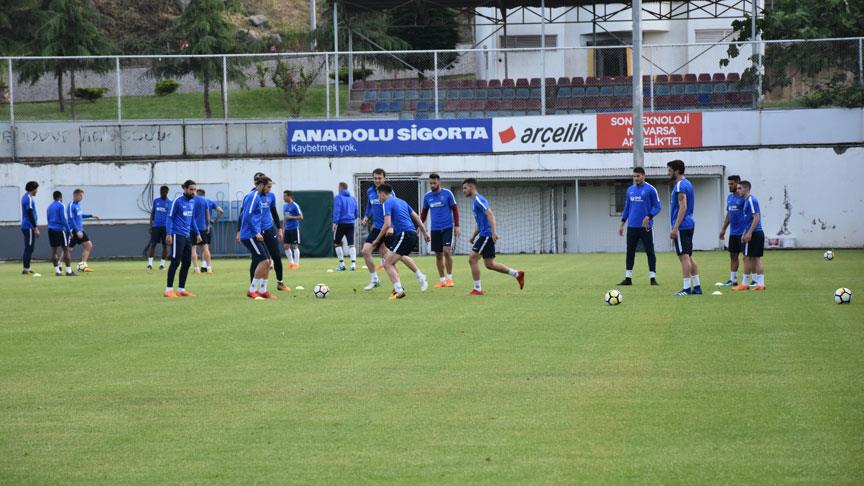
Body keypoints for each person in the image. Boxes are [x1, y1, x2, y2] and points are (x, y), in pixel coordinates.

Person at [461, 178, 524, 295]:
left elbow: (490, 214)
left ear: (471, 187)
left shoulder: (479, 200)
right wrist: (473, 236)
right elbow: (480, 223)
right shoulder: (474, 202)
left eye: (465, 188)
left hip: (486, 235)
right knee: (489, 264)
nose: (463, 191)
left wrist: (494, 232)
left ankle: (477, 289)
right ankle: (517, 274)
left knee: (472, 258)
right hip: (484, 234)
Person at [373, 184, 430, 299]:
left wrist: (377, 239)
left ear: (383, 194)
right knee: (396, 258)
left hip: (404, 234)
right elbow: (417, 217)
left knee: (387, 263)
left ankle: (399, 291)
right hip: (411, 234)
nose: (378, 198)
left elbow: (387, 224)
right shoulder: (402, 201)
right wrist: (425, 232)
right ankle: (420, 277)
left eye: (378, 195)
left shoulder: (386, 203)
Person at [617, 167, 661, 286]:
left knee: (650, 251)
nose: (636, 178)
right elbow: (627, 208)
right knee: (630, 252)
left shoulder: (651, 190)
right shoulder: (630, 190)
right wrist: (622, 223)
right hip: (632, 226)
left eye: (638, 176)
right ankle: (628, 278)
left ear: (643, 176)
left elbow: (657, 207)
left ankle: (652, 278)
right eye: (634, 176)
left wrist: (649, 216)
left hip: (646, 227)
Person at [667, 160, 702, 296]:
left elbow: (683, 207)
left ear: (677, 171)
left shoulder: (680, 185)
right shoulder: (688, 183)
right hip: (689, 223)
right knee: (688, 256)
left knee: (683, 257)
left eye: (670, 170)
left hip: (682, 226)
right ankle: (697, 287)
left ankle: (686, 289)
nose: (668, 173)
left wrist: (675, 227)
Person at [239, 177, 276, 300]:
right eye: (268, 187)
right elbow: (247, 215)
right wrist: (256, 232)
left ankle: (263, 290)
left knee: (268, 261)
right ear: (261, 185)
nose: (269, 190)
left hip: (255, 233)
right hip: (249, 235)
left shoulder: (259, 196)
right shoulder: (253, 196)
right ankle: (252, 290)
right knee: (263, 261)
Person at [164, 180, 202, 297]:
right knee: (175, 262)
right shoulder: (177, 201)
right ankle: (168, 289)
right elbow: (170, 217)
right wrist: (169, 233)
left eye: (195, 189)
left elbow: (192, 219)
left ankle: (181, 289)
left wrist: (198, 233)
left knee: (186, 263)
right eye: (191, 189)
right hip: (177, 234)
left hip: (187, 236)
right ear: (184, 189)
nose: (193, 192)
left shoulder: (193, 201)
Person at [421, 173, 460, 288]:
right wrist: (420, 226)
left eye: (434, 183)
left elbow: (455, 210)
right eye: (431, 183)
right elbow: (424, 213)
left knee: (447, 251)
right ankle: (442, 280)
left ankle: (450, 279)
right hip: (435, 229)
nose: (432, 185)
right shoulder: (427, 196)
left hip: (447, 227)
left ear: (439, 182)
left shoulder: (447, 193)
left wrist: (457, 225)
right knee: (438, 255)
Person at [361, 168, 394, 290]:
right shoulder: (370, 191)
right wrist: (366, 216)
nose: (377, 180)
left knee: (394, 257)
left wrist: (391, 227)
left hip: (388, 229)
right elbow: (369, 205)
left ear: (384, 178)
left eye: (379, 178)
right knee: (365, 251)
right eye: (375, 178)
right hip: (377, 229)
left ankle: (417, 274)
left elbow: (395, 209)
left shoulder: (390, 193)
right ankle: (374, 280)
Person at [733, 180, 766, 291]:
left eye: (739, 188)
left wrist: (749, 232)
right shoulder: (746, 200)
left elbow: (756, 217)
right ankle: (760, 284)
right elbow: (748, 220)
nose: (738, 190)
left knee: (747, 258)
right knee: (754, 259)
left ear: (746, 189)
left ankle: (745, 284)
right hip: (755, 232)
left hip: (755, 233)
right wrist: (744, 232)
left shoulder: (751, 200)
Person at [718, 175, 744, 287]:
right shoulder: (730, 197)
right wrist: (723, 229)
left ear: (738, 184)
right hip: (733, 233)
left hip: (743, 233)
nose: (729, 186)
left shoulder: (744, 198)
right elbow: (729, 214)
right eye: (728, 184)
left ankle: (752, 280)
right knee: (733, 256)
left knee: (748, 257)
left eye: (732, 184)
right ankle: (733, 280)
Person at [190, 188, 223, 274]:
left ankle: (196, 269)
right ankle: (208, 268)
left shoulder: (191, 200)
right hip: (204, 227)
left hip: (193, 227)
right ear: (204, 194)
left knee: (194, 248)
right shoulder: (207, 201)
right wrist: (213, 221)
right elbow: (220, 211)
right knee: (205, 248)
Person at [68, 188, 100, 272]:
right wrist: (77, 231)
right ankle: (59, 265)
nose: (82, 197)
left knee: (88, 245)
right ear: (76, 195)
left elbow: (80, 215)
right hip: (73, 230)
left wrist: (91, 216)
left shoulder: (78, 205)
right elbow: (71, 219)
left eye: (82, 196)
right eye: (81, 196)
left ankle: (83, 265)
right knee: (68, 249)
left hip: (80, 230)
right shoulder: (71, 205)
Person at [46, 191, 76, 277]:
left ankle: (57, 272)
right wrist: (69, 231)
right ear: (61, 197)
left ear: (53, 197)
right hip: (59, 229)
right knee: (66, 249)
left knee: (54, 251)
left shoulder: (49, 207)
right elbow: (63, 219)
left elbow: (48, 219)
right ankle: (69, 271)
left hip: (50, 230)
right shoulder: (61, 205)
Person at [332, 182, 359, 271]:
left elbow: (337, 210)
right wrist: (352, 218)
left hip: (341, 223)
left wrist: (335, 222)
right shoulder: (353, 198)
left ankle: (342, 265)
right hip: (351, 223)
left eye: (338, 187)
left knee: (337, 243)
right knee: (351, 244)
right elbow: (356, 213)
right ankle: (353, 264)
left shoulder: (338, 198)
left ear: (341, 187)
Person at [147, 185, 171, 270]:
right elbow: (152, 213)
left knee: (165, 246)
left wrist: (170, 229)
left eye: (164, 192)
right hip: (156, 226)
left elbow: (171, 217)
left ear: (167, 192)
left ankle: (162, 265)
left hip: (165, 227)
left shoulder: (170, 203)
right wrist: (151, 225)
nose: (162, 193)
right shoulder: (156, 201)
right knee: (153, 244)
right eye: (161, 192)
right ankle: (150, 264)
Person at [20, 181, 41, 277]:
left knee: (29, 248)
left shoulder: (26, 197)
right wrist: (35, 228)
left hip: (27, 226)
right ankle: (26, 270)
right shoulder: (28, 198)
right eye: (36, 189)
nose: (37, 191)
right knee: (29, 248)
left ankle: (27, 268)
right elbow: (29, 213)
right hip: (29, 227)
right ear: (33, 189)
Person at [282, 190, 303, 270]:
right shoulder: (285, 206)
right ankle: (291, 263)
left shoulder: (295, 205)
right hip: (287, 229)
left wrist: (291, 217)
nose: (283, 198)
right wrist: (283, 228)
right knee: (286, 246)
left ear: (289, 196)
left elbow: (301, 217)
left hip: (294, 228)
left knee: (294, 246)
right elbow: (285, 218)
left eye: (285, 196)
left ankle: (296, 264)